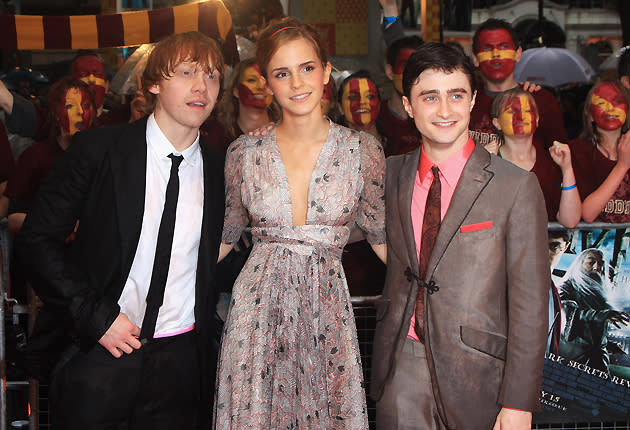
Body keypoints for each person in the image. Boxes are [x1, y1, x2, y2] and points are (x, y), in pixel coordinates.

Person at [15, 31, 225, 429]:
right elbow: (37, 242)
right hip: (99, 349)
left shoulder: (221, 170)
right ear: (154, 83)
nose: (202, 87)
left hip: (181, 364)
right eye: (186, 72)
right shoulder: (97, 150)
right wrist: (95, 317)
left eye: (213, 76)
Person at [214, 17, 386, 429]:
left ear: (326, 71)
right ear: (267, 82)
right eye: (282, 73)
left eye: (307, 68)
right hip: (255, 313)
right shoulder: (244, 153)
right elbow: (223, 239)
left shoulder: (363, 151)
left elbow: (384, 243)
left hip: (326, 311)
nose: (297, 83)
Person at [371, 42, 549, 430]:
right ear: (407, 104)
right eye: (429, 97)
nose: (445, 110)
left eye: (456, 95)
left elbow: (531, 305)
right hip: (401, 363)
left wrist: (519, 402)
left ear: (472, 102)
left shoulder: (515, 187)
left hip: (479, 373)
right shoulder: (388, 174)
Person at [4, 77, 95, 235]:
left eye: (86, 105)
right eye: (70, 106)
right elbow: (12, 219)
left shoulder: (102, 158)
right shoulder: (35, 157)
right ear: (55, 113)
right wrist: (57, 224)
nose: (80, 112)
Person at [470, 18, 568, 150]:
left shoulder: (542, 101)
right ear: (475, 59)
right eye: (487, 48)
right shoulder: (465, 100)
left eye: (503, 47)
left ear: (518, 53)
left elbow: (560, 154)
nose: (496, 54)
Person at [490, 87, 581, 227]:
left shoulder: (552, 162)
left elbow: (570, 221)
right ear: (497, 123)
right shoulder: (488, 162)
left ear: (537, 120)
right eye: (512, 111)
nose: (521, 116)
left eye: (527, 111)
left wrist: (567, 168)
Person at [558, 248, 630, 372]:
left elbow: (591, 332)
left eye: (601, 263)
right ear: (580, 265)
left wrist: (609, 346)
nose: (597, 267)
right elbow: (566, 311)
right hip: (573, 358)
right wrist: (601, 315)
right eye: (591, 262)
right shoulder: (567, 287)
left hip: (597, 360)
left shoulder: (599, 294)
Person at [571, 80, 630, 223]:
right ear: (588, 111)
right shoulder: (578, 150)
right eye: (602, 103)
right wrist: (622, 166)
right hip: (593, 243)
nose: (610, 108)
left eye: (617, 101)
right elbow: (587, 213)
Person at [201, 57, 281, 154]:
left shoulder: (285, 128)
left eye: (265, 80)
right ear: (236, 91)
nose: (260, 86)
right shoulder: (217, 135)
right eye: (252, 80)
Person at [338, 70, 384, 143]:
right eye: (353, 97)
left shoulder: (396, 145)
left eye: (369, 96)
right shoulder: (332, 149)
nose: (362, 102)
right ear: (340, 107)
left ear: (379, 103)